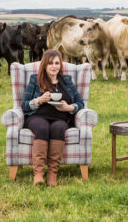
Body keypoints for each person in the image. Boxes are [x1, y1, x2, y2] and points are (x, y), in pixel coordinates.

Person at [21, 49, 84, 186]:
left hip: (61, 118)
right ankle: (38, 173)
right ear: (44, 65)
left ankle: (52, 173)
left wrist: (69, 108)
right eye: (50, 63)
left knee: (59, 128)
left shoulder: (66, 81)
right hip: (38, 117)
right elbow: (24, 105)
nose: (54, 66)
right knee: (42, 127)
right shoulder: (35, 79)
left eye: (57, 63)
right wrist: (38, 100)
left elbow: (80, 103)